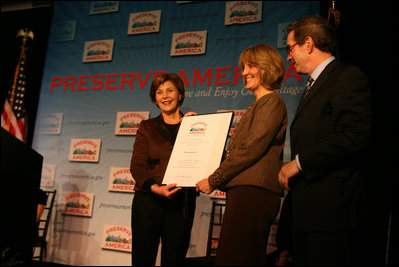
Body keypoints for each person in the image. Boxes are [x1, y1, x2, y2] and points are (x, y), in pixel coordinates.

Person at [277, 15, 373, 266]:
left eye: (290, 48)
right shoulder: (313, 84)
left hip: (333, 216)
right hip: (309, 216)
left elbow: (355, 136)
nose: (288, 56)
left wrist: (298, 163)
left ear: (308, 44)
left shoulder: (346, 77)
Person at [196, 43, 287, 266]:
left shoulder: (272, 102)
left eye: (251, 66)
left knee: (238, 258)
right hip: (245, 192)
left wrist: (214, 179)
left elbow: (251, 148)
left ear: (267, 67)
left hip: (254, 194)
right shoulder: (258, 105)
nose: (244, 72)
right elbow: (239, 151)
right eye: (243, 67)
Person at [130, 73, 197, 266]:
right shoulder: (147, 126)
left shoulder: (194, 125)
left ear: (180, 95)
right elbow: (137, 166)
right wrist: (155, 187)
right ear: (155, 98)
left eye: (170, 90)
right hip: (148, 201)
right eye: (159, 92)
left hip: (180, 203)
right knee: (143, 259)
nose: (165, 96)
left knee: (174, 260)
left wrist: (194, 128)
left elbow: (203, 158)